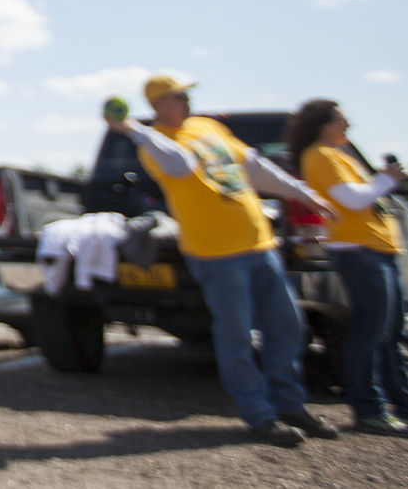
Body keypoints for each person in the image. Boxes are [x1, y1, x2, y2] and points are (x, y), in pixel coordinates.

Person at [106, 74, 340, 446]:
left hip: (260, 245)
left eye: (186, 95)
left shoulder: (208, 127)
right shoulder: (152, 145)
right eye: (180, 95)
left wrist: (305, 195)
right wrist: (135, 130)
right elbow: (181, 166)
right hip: (216, 254)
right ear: (160, 103)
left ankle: (291, 405)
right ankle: (260, 416)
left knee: (288, 328)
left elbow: (254, 167)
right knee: (236, 338)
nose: (187, 100)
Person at [287, 98, 408, 436]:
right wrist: (385, 180)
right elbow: (352, 199)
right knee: (369, 333)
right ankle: (369, 410)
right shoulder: (320, 156)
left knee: (389, 333)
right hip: (358, 251)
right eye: (340, 120)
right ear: (322, 124)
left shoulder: (339, 154)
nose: (347, 125)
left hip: (378, 250)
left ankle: (401, 404)